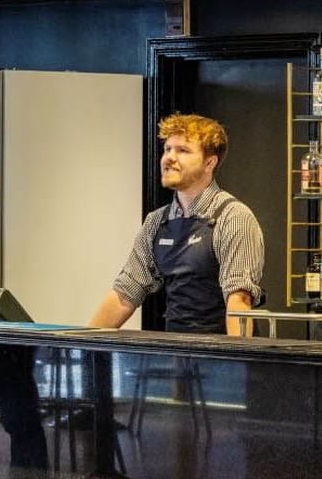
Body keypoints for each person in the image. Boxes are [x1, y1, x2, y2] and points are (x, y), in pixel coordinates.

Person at [89, 113, 265, 336]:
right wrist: (81, 343)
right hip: (176, 352)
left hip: (220, 354)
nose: (169, 158)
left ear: (210, 162)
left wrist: (235, 363)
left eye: (183, 150)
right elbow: (126, 291)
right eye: (167, 149)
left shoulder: (233, 217)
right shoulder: (156, 221)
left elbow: (239, 300)